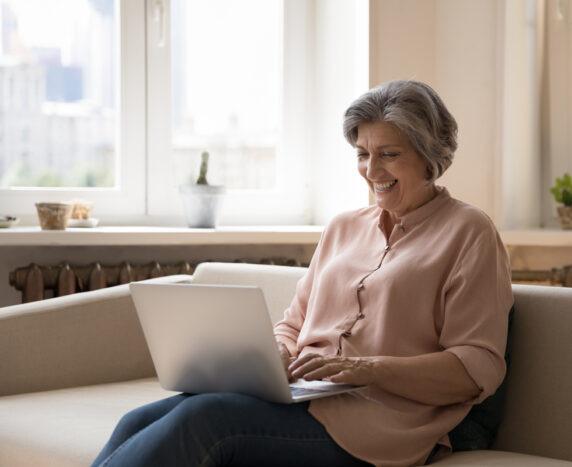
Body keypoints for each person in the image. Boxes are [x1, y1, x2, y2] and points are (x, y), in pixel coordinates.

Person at [92, 80, 513, 467]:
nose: (371, 170)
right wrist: (276, 354)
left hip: (379, 424)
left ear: (429, 157)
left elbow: (477, 367)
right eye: (363, 154)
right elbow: (292, 324)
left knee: (205, 420)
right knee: (136, 420)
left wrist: (369, 368)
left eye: (389, 154)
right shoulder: (343, 227)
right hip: (300, 398)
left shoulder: (469, 232)